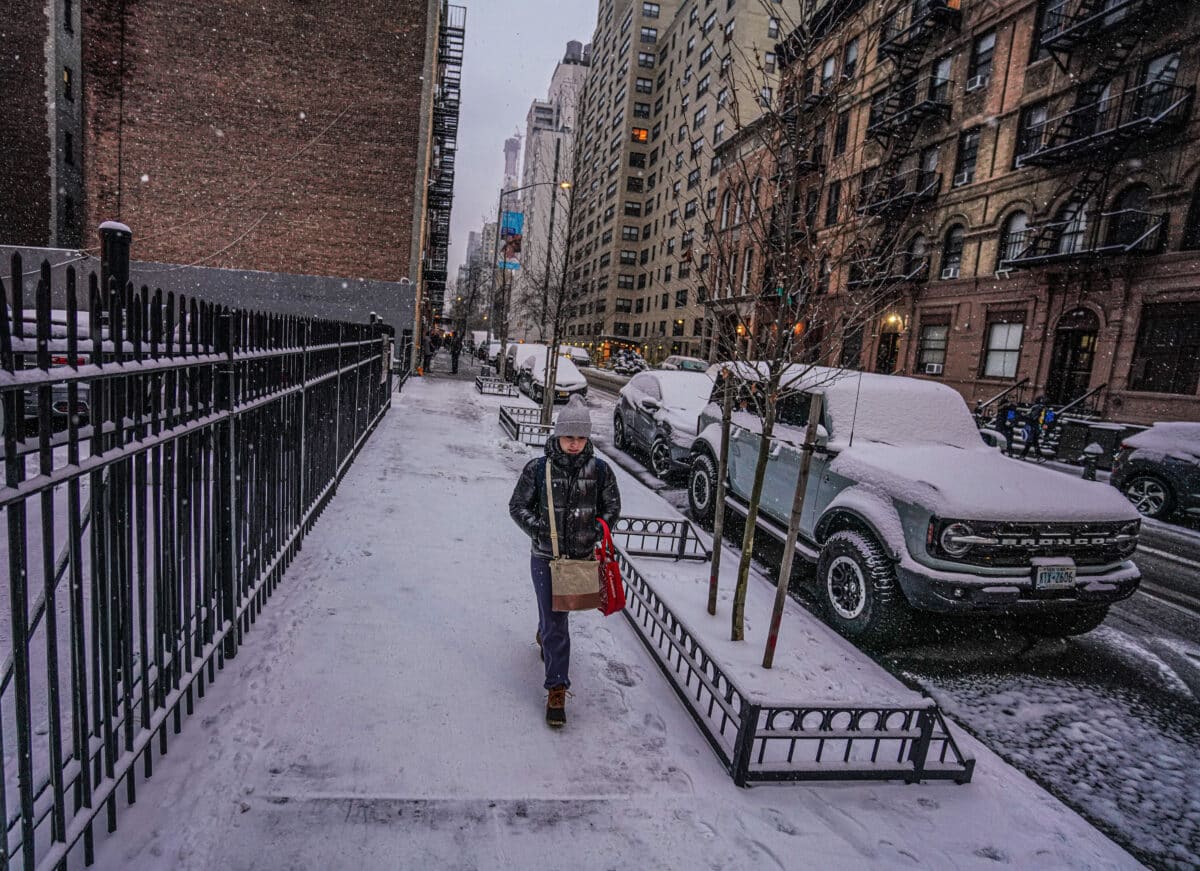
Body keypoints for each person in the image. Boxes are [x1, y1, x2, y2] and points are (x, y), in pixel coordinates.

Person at [508, 395, 621, 727]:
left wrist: (595, 532)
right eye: (569, 437)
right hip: (544, 557)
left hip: (580, 558)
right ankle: (557, 686)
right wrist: (541, 530)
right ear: (558, 435)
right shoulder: (537, 469)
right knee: (559, 620)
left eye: (581, 438)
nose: (574, 444)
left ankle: (545, 634)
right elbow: (517, 507)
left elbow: (611, 509)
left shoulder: (600, 471)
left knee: (557, 615)